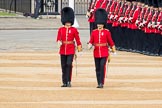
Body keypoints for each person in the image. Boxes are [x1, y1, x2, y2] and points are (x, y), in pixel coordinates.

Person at [88, 8, 116, 88]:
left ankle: (101, 83)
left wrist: (113, 48)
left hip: (104, 52)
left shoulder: (106, 32)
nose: (99, 25)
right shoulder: (94, 32)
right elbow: (91, 41)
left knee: (102, 66)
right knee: (97, 68)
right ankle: (98, 82)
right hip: (96, 52)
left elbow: (110, 41)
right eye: (98, 24)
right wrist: (90, 45)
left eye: (101, 24)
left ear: (103, 24)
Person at [56, 7, 82, 87]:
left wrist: (79, 46)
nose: (68, 23)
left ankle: (69, 81)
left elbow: (77, 39)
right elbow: (58, 38)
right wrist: (59, 42)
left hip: (71, 49)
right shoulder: (61, 29)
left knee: (69, 64)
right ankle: (64, 81)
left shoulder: (74, 30)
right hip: (63, 49)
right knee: (63, 66)